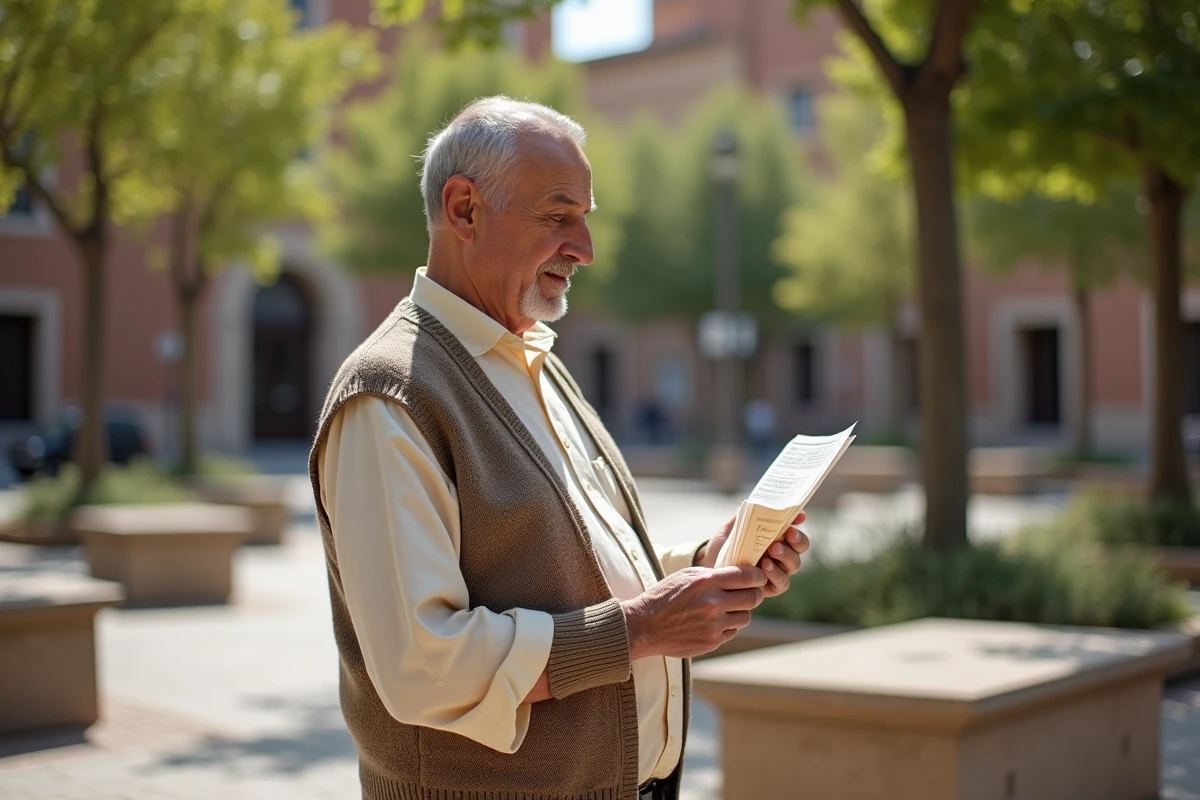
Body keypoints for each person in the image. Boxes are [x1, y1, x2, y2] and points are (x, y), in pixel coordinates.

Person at [309, 96, 810, 800]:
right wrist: (643, 628)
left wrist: (705, 568)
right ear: (464, 210)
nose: (585, 248)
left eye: (585, 217)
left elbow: (567, 568)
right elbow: (424, 667)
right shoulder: (389, 395)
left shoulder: (533, 357)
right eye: (557, 216)